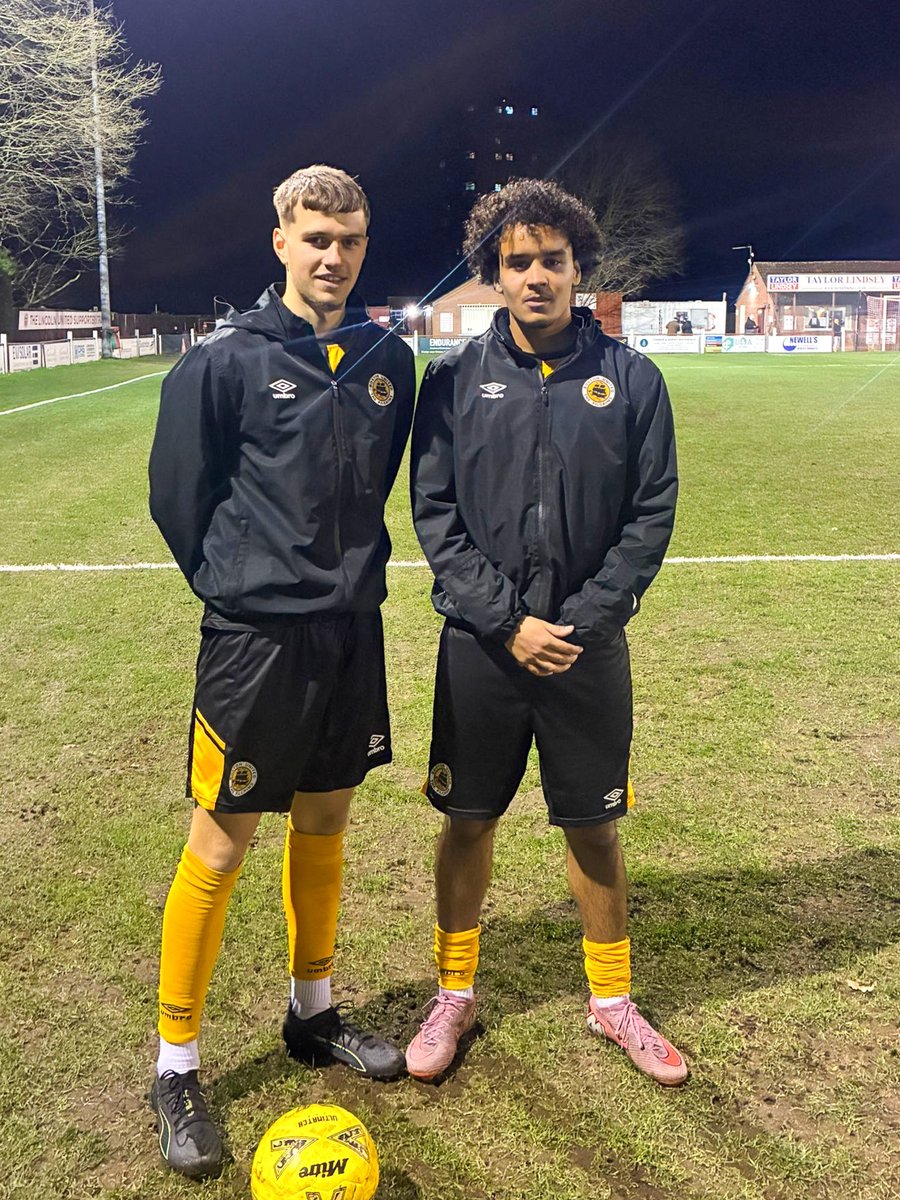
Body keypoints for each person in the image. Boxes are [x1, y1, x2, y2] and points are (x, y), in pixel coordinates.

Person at [147, 164, 414, 1178]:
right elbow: (180, 493)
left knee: (327, 821)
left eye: (348, 238)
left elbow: (381, 482)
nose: (332, 255)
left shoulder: (390, 356)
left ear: (363, 241)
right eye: (314, 237)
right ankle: (176, 1064)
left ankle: (313, 1012)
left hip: (353, 632)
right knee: (220, 842)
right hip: (257, 644)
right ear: (280, 243)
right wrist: (241, 585)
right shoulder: (224, 360)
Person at [406, 178, 686, 1088]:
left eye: (552, 261)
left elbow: (652, 513)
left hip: (584, 648)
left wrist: (583, 619)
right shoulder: (450, 383)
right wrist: (505, 620)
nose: (536, 276)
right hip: (482, 650)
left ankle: (612, 1003)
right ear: (494, 273)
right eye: (517, 261)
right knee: (468, 820)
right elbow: (435, 516)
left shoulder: (634, 379)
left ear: (577, 268)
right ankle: (455, 992)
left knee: (596, 829)